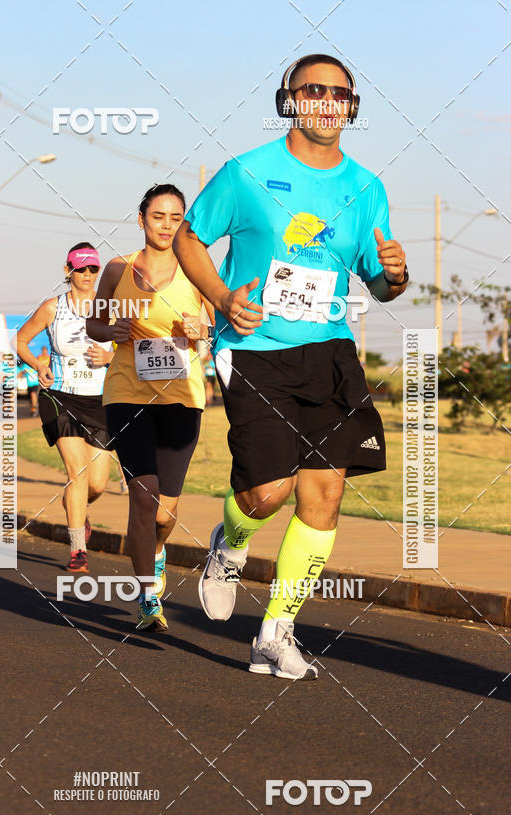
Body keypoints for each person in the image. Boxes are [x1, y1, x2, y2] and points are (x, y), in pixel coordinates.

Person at [174, 54, 409, 679]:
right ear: (290, 99)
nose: (327, 101)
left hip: (329, 350)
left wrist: (394, 275)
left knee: (325, 494)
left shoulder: (366, 187)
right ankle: (231, 546)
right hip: (254, 348)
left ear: (351, 106)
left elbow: (380, 284)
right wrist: (223, 299)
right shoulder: (246, 172)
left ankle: (277, 632)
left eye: (340, 93)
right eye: (315, 90)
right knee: (265, 491)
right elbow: (188, 239)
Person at [87, 184, 213, 632]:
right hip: (127, 393)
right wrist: (112, 329)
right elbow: (94, 323)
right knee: (144, 498)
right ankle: (145, 598)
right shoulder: (117, 269)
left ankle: (158, 552)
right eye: (158, 216)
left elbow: (215, 326)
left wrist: (202, 328)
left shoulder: (197, 269)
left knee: (164, 512)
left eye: (175, 218)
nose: (166, 225)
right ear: (141, 219)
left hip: (181, 398)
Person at [16, 242, 114, 572]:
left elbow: (135, 349)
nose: (87, 274)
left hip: (101, 401)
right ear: (67, 269)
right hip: (60, 397)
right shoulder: (51, 307)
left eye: (93, 269)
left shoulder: (110, 307)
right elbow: (19, 340)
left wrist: (111, 357)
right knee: (79, 473)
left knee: (97, 484)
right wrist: (36, 366)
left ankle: (77, 511)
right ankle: (77, 550)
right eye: (81, 268)